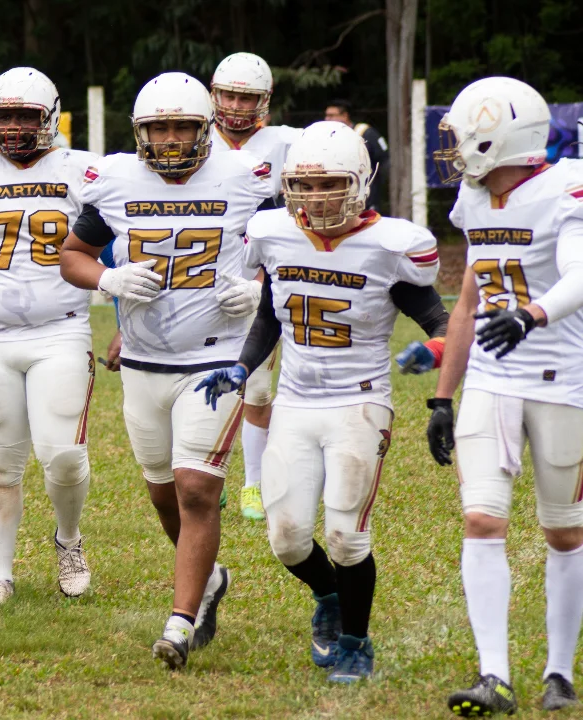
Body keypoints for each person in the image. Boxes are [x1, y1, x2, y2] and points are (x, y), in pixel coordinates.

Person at [199, 120, 449, 683]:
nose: (315, 197)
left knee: (345, 534)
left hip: (359, 403)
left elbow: (441, 321)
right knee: (286, 539)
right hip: (294, 401)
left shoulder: (389, 246)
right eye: (303, 186)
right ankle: (329, 597)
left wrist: (431, 353)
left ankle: (357, 643)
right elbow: (270, 310)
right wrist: (242, 366)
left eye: (329, 183)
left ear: (361, 181)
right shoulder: (275, 233)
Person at [59, 72, 273, 669]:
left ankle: (180, 623)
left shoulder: (246, 179)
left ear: (206, 129)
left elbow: (295, 250)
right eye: (160, 126)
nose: (172, 138)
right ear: (139, 130)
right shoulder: (117, 180)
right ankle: (209, 578)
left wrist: (259, 288)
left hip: (217, 357)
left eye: (183, 125)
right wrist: (107, 279)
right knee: (162, 494)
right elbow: (70, 257)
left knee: (197, 487)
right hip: (144, 362)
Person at [426, 76, 583, 716]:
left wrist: (534, 315)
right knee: (482, 519)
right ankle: (494, 675)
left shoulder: (561, 192)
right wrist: (442, 394)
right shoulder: (472, 200)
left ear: (500, 136)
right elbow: (467, 300)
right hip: (493, 379)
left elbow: (581, 274)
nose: (457, 151)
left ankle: (558, 670)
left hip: (562, 382)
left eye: (465, 136)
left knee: (565, 533)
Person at [0, 67, 97, 606]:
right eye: (2, 115)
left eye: (24, 115)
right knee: (1, 460)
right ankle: (0, 573)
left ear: (50, 116)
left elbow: (116, 241)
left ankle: (68, 540)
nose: (11, 126)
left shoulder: (83, 170)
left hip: (61, 330)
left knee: (64, 456)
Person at [209, 51, 300, 522]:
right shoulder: (191, 137)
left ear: (264, 101)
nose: (238, 106)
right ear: (213, 93)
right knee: (198, 380)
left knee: (258, 390)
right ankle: (209, 473)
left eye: (247, 98)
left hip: (260, 281)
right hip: (199, 281)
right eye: (229, 95)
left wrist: (270, 275)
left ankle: (252, 483)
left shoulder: (287, 144)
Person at [325, 100, 389, 212]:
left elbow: (383, 160)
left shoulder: (364, 133)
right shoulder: (329, 137)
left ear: (344, 115)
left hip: (366, 193)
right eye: (326, 116)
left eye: (331, 116)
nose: (327, 120)